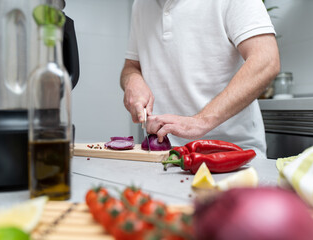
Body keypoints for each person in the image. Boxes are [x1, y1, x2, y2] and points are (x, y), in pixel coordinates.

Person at [120, 0, 280, 157]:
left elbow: (266, 60)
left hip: (232, 155)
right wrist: (132, 80)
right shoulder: (140, 4)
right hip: (165, 156)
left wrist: (201, 121)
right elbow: (131, 66)